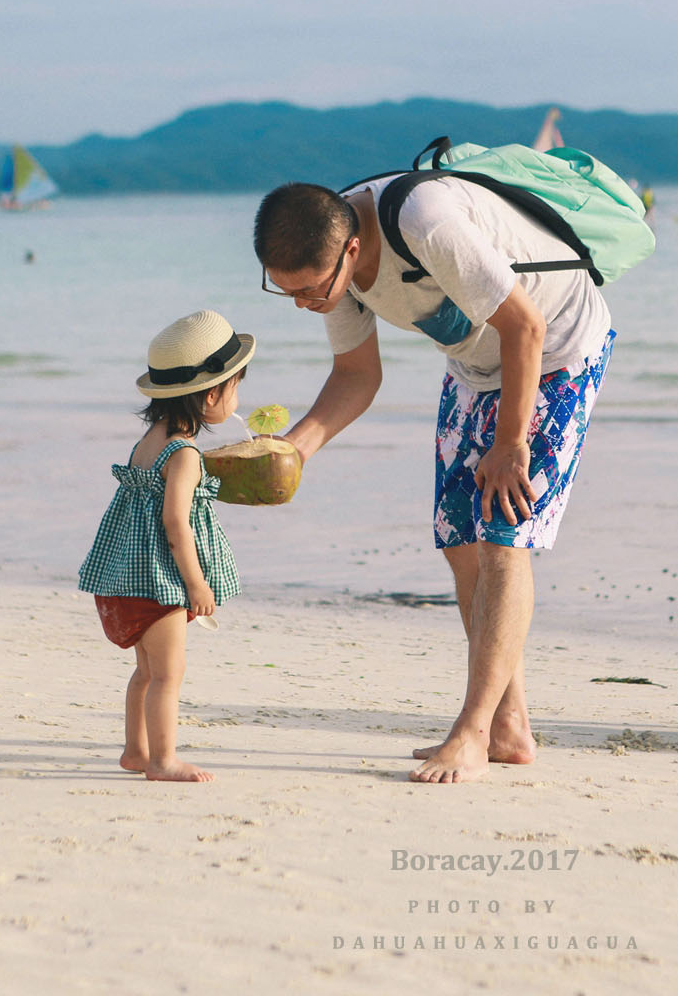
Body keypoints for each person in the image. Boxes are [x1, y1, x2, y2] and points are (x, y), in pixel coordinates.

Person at [254, 173, 614, 784]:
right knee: (459, 543)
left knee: (504, 535)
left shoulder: (426, 223)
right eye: (286, 292)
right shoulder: (330, 258)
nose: (305, 304)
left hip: (554, 349)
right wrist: (294, 450)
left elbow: (524, 327)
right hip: (476, 367)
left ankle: (471, 735)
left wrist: (510, 443)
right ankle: (509, 725)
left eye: (312, 291)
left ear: (349, 249)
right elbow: (355, 375)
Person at [77, 310, 252, 783]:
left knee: (145, 672)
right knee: (169, 675)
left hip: (125, 576)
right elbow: (176, 522)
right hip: (160, 584)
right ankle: (162, 760)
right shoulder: (186, 453)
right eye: (235, 387)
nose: (237, 398)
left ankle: (135, 751)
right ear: (212, 393)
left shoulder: (150, 440)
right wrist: (196, 584)